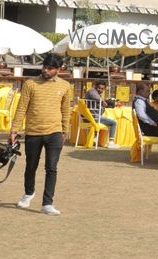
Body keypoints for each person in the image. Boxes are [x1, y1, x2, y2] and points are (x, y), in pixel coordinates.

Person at [11, 53, 72, 216]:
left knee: (51, 168)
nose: (45, 70)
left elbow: (66, 110)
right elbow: (21, 108)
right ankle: (28, 193)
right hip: (33, 132)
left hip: (55, 132)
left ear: (59, 69)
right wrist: (14, 130)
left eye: (50, 68)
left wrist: (65, 129)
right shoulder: (30, 84)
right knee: (31, 166)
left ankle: (47, 203)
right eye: (44, 67)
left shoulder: (65, 86)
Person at [84, 81, 117, 145]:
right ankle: (111, 142)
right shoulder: (92, 91)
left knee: (104, 118)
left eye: (102, 89)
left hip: (91, 116)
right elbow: (94, 96)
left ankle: (95, 139)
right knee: (113, 123)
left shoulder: (97, 93)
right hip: (93, 117)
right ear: (95, 86)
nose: (100, 90)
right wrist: (102, 101)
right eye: (99, 88)